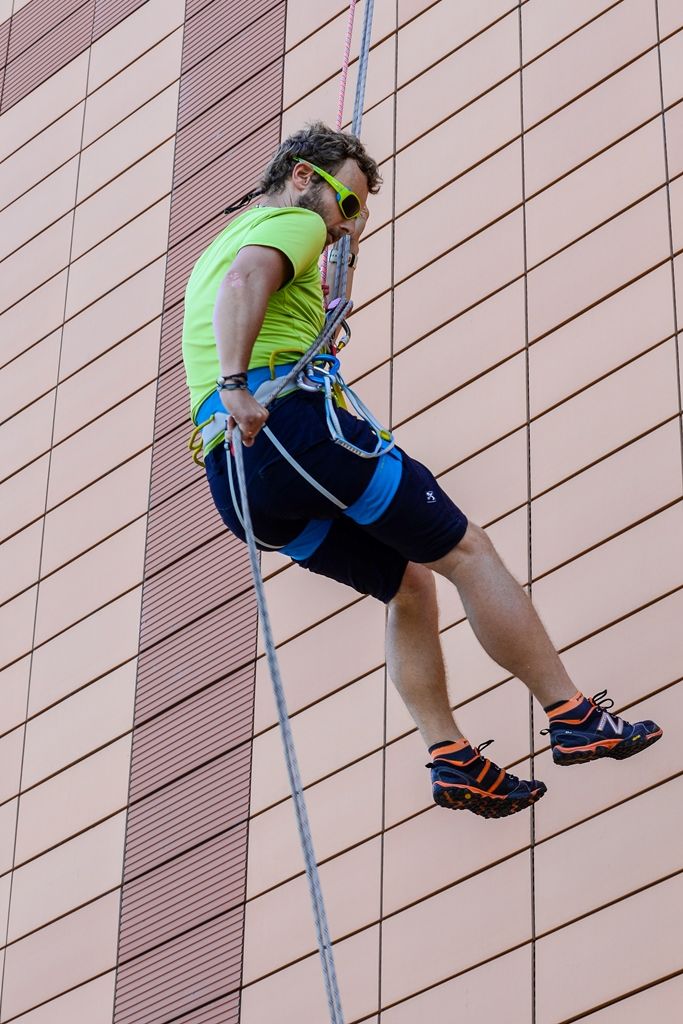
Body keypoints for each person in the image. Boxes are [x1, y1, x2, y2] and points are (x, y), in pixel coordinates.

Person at [181, 122, 662, 820]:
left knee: (406, 584)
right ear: (302, 177)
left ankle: (451, 759)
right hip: (288, 429)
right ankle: (573, 714)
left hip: (235, 478)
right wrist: (237, 383)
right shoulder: (290, 222)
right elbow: (249, 279)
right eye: (348, 206)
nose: (348, 227)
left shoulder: (223, 244)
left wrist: (249, 375)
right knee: (466, 552)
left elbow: (241, 282)